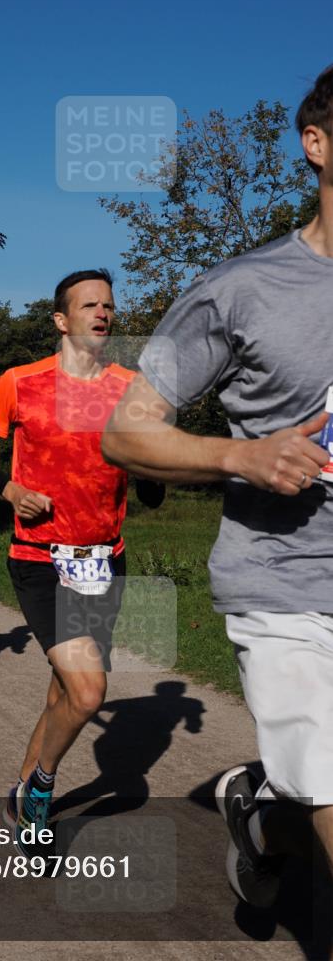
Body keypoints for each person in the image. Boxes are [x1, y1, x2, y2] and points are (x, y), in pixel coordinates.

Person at [101, 65, 333, 908]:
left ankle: (264, 815)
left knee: (311, 800)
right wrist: (241, 457)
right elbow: (126, 431)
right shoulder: (237, 291)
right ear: (316, 144)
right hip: (285, 589)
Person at [0, 269, 163, 851]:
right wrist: (9, 490)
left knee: (62, 692)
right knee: (90, 692)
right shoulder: (20, 383)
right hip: (40, 558)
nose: (103, 314)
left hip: (104, 561)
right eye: (89, 305)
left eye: (109, 305)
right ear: (61, 319)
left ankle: (19, 789)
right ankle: (42, 793)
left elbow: (152, 490)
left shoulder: (130, 387)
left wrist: (151, 463)